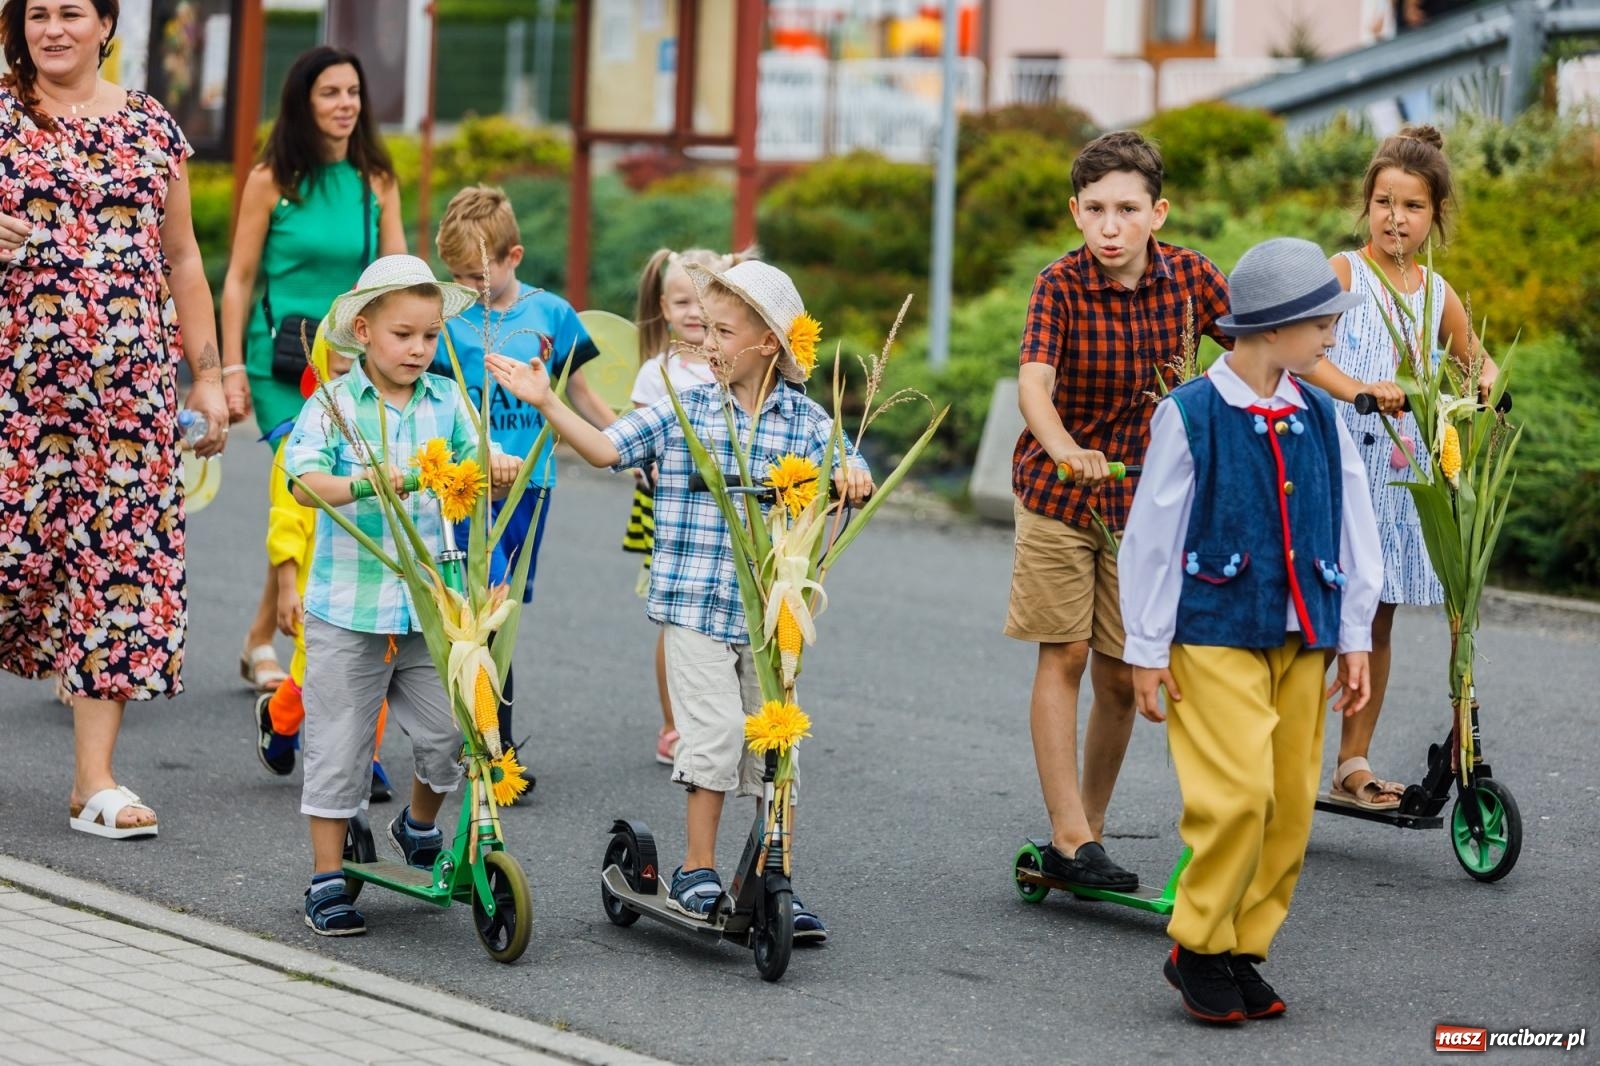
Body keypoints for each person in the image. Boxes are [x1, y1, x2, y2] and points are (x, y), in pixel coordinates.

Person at [486, 260, 873, 941]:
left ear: (769, 345)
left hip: (770, 616)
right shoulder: (685, 406)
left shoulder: (807, 421)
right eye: (706, 330)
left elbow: (849, 464)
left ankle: (772, 874)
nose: (708, 344)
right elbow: (607, 450)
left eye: (724, 332)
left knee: (775, 745)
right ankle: (697, 868)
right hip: (694, 606)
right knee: (716, 736)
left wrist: (850, 474)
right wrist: (549, 402)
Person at [1120, 238, 1381, 1023]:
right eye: (1323, 325)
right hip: (1213, 633)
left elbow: (1352, 523)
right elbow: (1152, 538)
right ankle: (1197, 942)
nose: (1332, 338)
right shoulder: (1192, 413)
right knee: (1236, 797)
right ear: (1273, 329)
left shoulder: (1320, 414)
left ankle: (1241, 944)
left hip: (1304, 634)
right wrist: (1145, 647)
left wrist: (1357, 631)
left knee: (1291, 803)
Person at [0, 0, 228, 839]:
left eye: (70, 13)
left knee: (117, 578)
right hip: (15, 402)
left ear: (105, 25)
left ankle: (92, 782)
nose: (52, 29)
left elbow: (184, 258)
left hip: (128, 409)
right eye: (35, 15)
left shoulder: (150, 125)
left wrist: (207, 376)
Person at [1007, 130, 1231, 889]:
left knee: (1117, 673)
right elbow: (1034, 383)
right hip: (1060, 492)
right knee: (1065, 652)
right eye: (1095, 208)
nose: (1110, 226)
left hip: (1148, 503)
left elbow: (1252, 356)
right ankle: (1070, 836)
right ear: (1075, 211)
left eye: (1127, 209)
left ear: (1158, 213)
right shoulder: (1058, 286)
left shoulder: (1195, 279)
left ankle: (1088, 835)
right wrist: (1066, 446)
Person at [283, 255, 519, 936]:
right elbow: (304, 483)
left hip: (432, 611)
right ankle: (327, 881)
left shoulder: (447, 400)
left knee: (459, 733)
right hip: (350, 612)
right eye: (403, 335)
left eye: (429, 336)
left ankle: (418, 823)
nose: (418, 349)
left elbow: (474, 472)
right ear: (363, 330)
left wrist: (494, 470)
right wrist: (370, 481)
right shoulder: (332, 405)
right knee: (339, 748)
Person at [1300, 125, 1499, 811]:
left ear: (1434, 215)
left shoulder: (1435, 291)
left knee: (1375, 618)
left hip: (1401, 475)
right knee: (1324, 620)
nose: (1395, 218)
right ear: (1367, 205)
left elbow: (1476, 357)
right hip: (1340, 467)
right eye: (1384, 202)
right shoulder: (1344, 273)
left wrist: (1485, 384)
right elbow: (1303, 353)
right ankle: (1279, 753)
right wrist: (1357, 387)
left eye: (1411, 207)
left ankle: (1350, 762)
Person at [221, 45, 407, 694]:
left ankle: (259, 640)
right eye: (330, 92)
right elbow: (239, 279)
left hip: (349, 371)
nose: (345, 105)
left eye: (353, 92)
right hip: (280, 371)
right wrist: (227, 369)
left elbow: (396, 280)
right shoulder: (272, 180)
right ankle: (299, 660)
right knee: (303, 492)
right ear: (303, 101)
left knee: (319, 507)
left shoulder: (375, 181)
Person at [433, 184, 613, 773]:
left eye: (476, 276)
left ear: (515, 257)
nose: (467, 288)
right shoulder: (449, 317)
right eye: (456, 275)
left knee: (502, 613)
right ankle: (486, 744)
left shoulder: (552, 314)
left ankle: (490, 742)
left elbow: (579, 394)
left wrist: (630, 445)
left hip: (529, 488)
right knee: (470, 609)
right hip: (464, 489)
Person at [627, 246, 755, 766]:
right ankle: (674, 722)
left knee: (735, 609)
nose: (695, 313)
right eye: (682, 301)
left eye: (705, 301)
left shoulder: (732, 367)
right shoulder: (659, 374)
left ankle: (736, 712)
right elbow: (634, 439)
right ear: (663, 306)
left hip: (736, 510)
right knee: (676, 619)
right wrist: (649, 467)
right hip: (672, 509)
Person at [254, 324, 393, 802]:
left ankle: (366, 760)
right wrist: (288, 586)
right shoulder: (303, 442)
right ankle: (279, 718)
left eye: (359, 365)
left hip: (376, 578)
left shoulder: (389, 433)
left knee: (378, 669)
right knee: (310, 672)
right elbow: (287, 523)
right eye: (337, 367)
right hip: (323, 584)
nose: (348, 378)